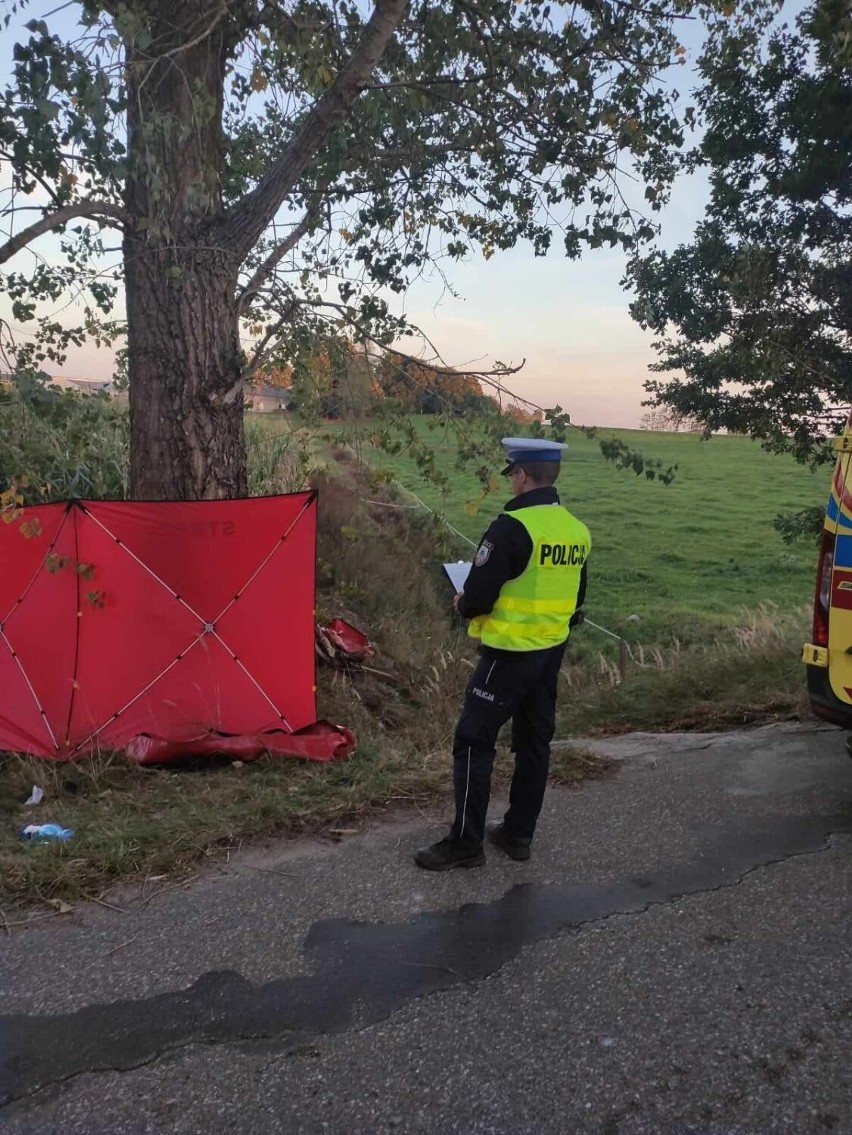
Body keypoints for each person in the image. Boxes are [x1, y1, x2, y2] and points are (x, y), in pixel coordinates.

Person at [415, 436, 591, 871]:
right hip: (550, 654)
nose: (512, 480)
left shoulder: (511, 529)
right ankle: (518, 835)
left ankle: (465, 843)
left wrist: (461, 602)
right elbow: (576, 597)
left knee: (473, 741)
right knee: (534, 744)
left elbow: (476, 600)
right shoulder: (575, 529)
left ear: (522, 475)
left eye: (512, 473)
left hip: (507, 655)